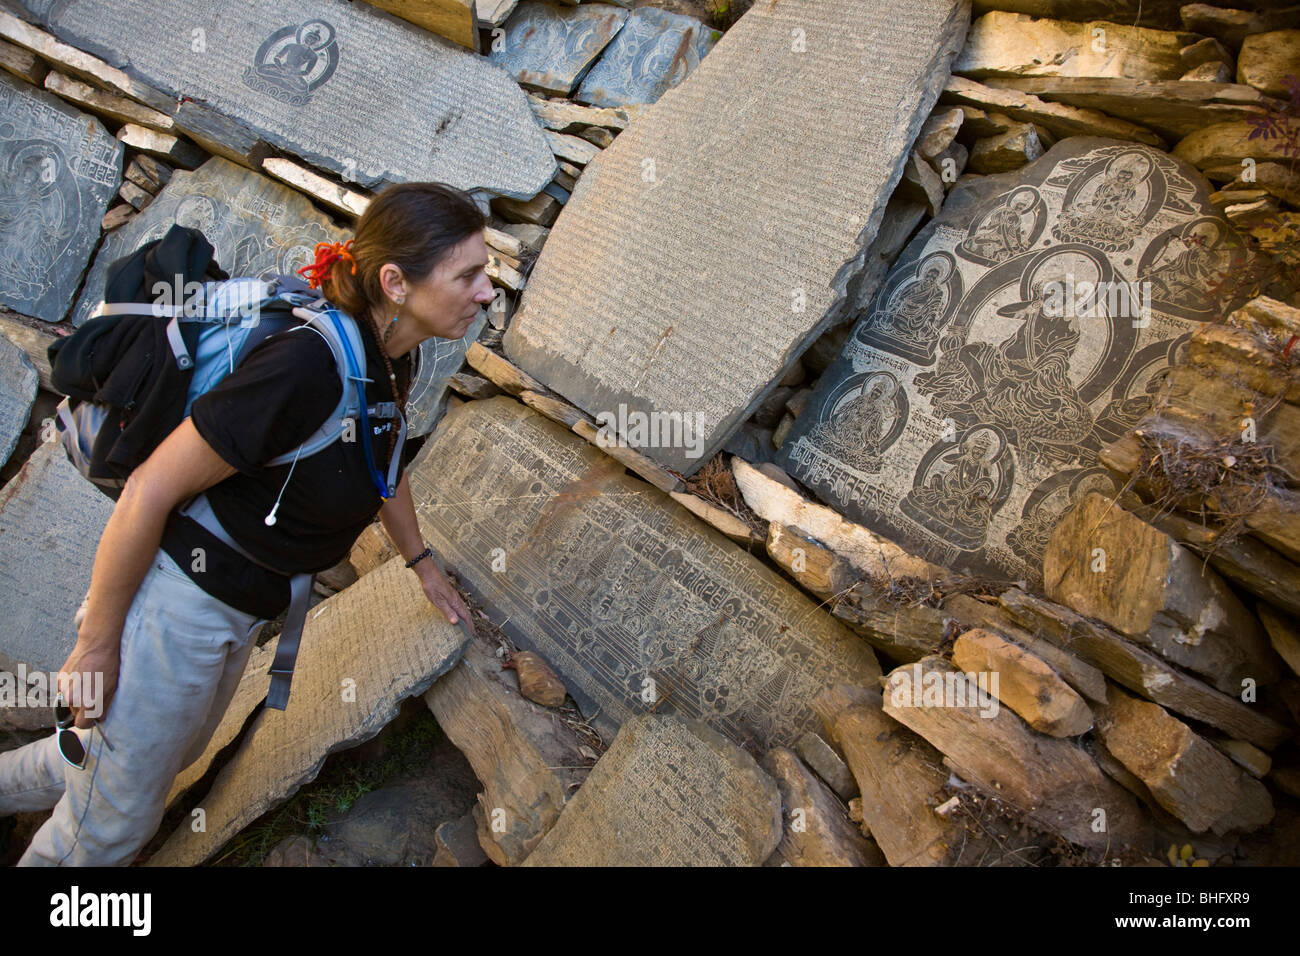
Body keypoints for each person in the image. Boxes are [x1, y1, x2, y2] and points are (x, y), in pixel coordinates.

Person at [0, 181, 491, 865]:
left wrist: (421, 563)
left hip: (233, 611)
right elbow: (148, 491)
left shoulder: (386, 357)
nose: (488, 290)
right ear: (396, 282)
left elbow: (382, 460)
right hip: (177, 610)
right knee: (107, 831)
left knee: (109, 764)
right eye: (469, 274)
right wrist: (96, 646)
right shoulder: (304, 363)